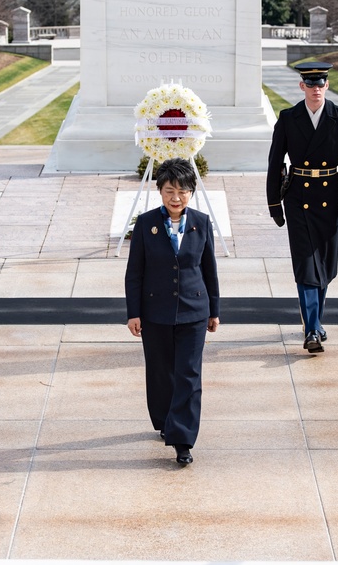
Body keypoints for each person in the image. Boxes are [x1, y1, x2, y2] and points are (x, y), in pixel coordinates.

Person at [125, 157, 219, 466]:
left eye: (182, 191)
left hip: (194, 311)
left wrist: (213, 310)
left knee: (189, 375)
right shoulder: (146, 223)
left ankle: (183, 440)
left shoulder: (202, 223)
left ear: (191, 192)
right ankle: (165, 421)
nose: (175, 198)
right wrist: (133, 312)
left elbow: (209, 269)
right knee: (161, 372)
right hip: (155, 312)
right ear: (160, 192)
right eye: (169, 191)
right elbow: (134, 272)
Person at [266, 62, 338, 354]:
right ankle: (311, 330)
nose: (316, 90)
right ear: (302, 87)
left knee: (326, 267)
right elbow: (274, 163)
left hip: (330, 198)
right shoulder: (288, 118)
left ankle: (315, 322)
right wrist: (274, 204)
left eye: (321, 85)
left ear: (327, 86)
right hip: (298, 199)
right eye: (311, 85)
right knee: (307, 265)